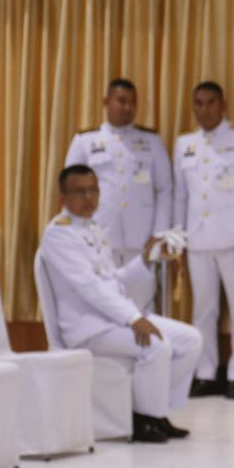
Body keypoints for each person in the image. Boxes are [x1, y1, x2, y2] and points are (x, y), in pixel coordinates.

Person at [40, 164, 202, 444]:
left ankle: (156, 412)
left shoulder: (93, 228)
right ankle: (142, 420)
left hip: (112, 319)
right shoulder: (58, 235)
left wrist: (146, 259)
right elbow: (91, 289)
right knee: (156, 345)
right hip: (87, 327)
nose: (89, 198)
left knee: (191, 340)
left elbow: (114, 281)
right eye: (80, 192)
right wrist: (132, 318)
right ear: (62, 197)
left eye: (93, 190)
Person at [174, 81, 234, 400]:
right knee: (203, 311)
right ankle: (205, 373)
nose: (204, 110)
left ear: (223, 105)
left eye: (210, 103)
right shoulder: (185, 143)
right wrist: (178, 239)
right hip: (197, 241)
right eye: (198, 103)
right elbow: (180, 195)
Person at [64, 78, 173, 313]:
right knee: (101, 305)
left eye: (133, 103)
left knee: (142, 307)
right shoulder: (85, 141)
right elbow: (70, 190)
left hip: (141, 241)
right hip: (99, 238)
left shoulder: (151, 141)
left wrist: (159, 233)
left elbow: (165, 189)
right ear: (106, 102)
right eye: (121, 101)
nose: (127, 107)